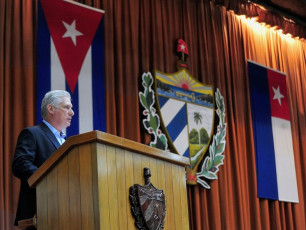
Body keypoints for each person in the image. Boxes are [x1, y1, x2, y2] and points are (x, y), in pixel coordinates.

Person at [12, 90, 74, 228]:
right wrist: (52, 178)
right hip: (39, 214)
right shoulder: (33, 133)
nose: (72, 113)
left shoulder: (68, 143)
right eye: (66, 107)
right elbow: (20, 165)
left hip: (67, 214)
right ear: (50, 108)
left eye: (71, 108)